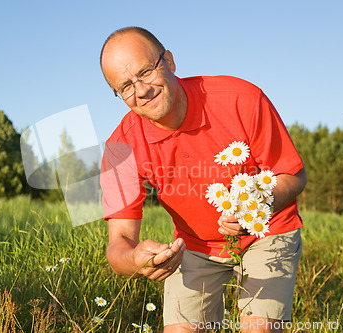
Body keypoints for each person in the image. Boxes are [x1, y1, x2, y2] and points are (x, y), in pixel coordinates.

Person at [99, 26, 307, 333]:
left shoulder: (241, 98)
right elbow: (118, 245)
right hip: (195, 246)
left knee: (258, 328)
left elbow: (292, 173)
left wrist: (256, 206)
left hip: (268, 229)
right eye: (125, 87)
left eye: (145, 72)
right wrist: (137, 259)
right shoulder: (120, 148)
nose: (141, 90)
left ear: (168, 61)